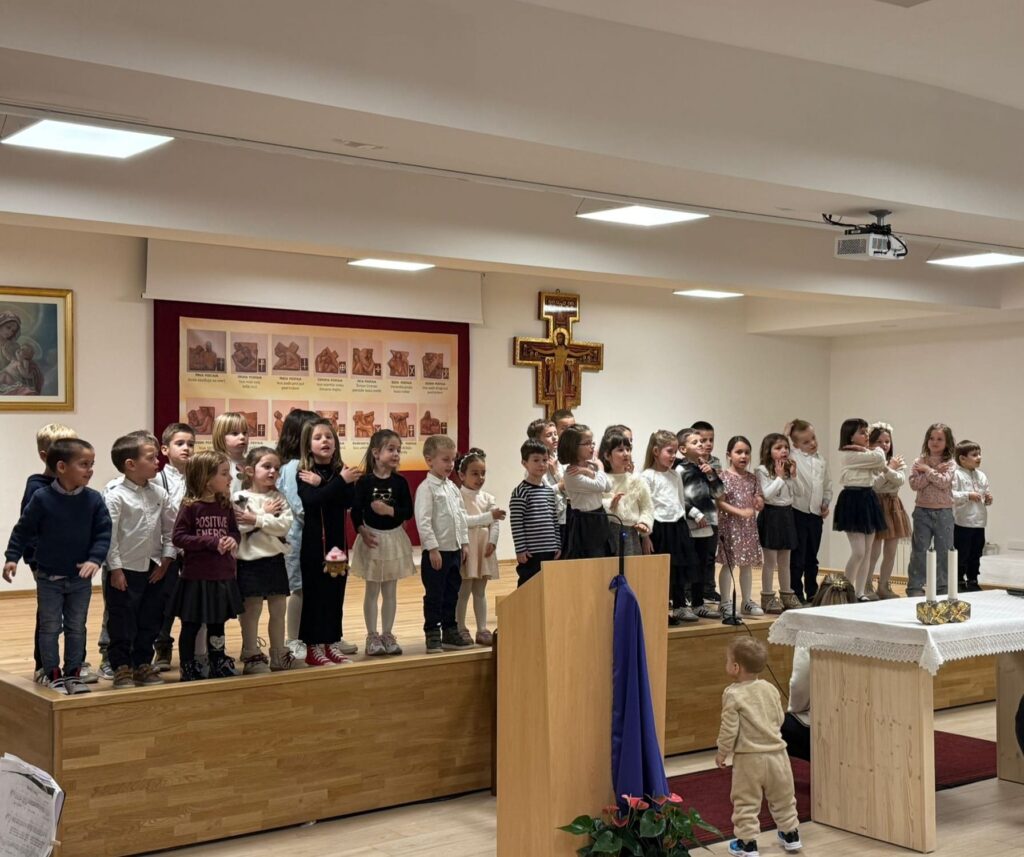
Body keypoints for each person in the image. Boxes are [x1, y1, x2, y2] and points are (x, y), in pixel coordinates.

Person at [4, 438, 111, 694]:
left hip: (79, 580)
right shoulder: (41, 498)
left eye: (92, 464)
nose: (90, 470)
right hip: (48, 578)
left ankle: (73, 673)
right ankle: (52, 673)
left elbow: (103, 533)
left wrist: (94, 559)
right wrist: (12, 557)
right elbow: (23, 530)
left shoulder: (94, 500)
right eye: (84, 464)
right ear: (61, 467)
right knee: (50, 627)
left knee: (76, 627)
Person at [716, 637, 802, 856]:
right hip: (778, 755)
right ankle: (791, 834)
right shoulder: (770, 689)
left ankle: (747, 844)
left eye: (728, 661)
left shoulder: (733, 694)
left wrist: (722, 752)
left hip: (748, 758)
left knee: (746, 802)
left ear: (736, 667)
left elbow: (729, 729)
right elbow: (779, 718)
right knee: (784, 798)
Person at [8, 423, 80, 683]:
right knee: (49, 617)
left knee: (75, 616)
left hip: (73, 563)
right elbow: (27, 529)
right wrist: (34, 561)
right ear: (44, 455)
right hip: (45, 563)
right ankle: (44, 665)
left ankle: (75, 663)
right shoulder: (36, 488)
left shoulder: (76, 486)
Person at [104, 433, 177, 689]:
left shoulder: (159, 493)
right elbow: (110, 537)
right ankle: (121, 666)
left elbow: (171, 529)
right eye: (151, 458)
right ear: (130, 464)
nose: (158, 462)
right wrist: (115, 569)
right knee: (122, 620)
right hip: (125, 570)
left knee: (151, 618)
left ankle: (143, 662)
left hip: (155, 568)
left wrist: (166, 560)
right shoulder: (116, 496)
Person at [171, 451, 243, 681]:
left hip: (222, 575)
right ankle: (188, 665)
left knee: (217, 623)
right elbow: (178, 537)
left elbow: (234, 531)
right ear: (206, 478)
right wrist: (210, 542)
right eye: (224, 474)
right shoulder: (190, 506)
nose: (229, 478)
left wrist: (232, 539)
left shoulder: (225, 504)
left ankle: (217, 660)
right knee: (191, 624)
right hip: (196, 577)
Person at [296, 418, 360, 666]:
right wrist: (337, 483)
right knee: (315, 596)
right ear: (308, 445)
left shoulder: (340, 471)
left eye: (329, 436)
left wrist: (325, 484)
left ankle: (331, 642)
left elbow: (348, 501)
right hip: (315, 547)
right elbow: (313, 501)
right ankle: (313, 647)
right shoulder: (305, 473)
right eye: (318, 437)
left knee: (335, 595)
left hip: (337, 548)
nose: (324, 441)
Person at [349, 429, 417, 657]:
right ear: (376, 453)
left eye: (399, 450)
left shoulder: (400, 482)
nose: (396, 453)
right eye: (391, 449)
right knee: (372, 589)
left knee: (390, 590)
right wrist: (361, 530)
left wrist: (389, 510)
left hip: (393, 539)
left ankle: (388, 633)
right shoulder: (364, 482)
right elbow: (356, 511)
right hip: (372, 539)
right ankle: (372, 635)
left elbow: (407, 512)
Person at [234, 446, 297, 672]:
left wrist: (257, 519)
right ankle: (251, 654)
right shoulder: (240, 497)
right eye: (267, 466)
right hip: (249, 563)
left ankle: (279, 653)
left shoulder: (278, 498)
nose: (273, 472)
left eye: (276, 468)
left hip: (274, 561)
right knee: (251, 612)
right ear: (250, 470)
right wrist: (264, 515)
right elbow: (239, 526)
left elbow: (284, 525)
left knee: (278, 610)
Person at [415, 434, 472, 653]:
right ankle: (432, 633)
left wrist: (464, 543)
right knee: (435, 595)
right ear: (429, 460)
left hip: (454, 550)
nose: (450, 465)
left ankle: (450, 630)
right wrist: (432, 548)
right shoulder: (426, 489)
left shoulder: (453, 487)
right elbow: (423, 521)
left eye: (453, 460)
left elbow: (461, 516)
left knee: (452, 592)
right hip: (437, 553)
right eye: (445, 460)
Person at [275, 409, 321, 660]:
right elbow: (299, 505)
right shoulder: (293, 466)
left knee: (312, 587)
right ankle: (293, 638)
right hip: (296, 537)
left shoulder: (306, 465)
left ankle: (318, 636)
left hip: (308, 536)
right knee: (298, 588)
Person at [641, 430, 697, 624]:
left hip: (677, 526)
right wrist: (646, 536)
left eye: (675, 452)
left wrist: (683, 522)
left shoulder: (675, 475)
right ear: (656, 451)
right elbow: (646, 507)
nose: (673, 456)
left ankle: (680, 606)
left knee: (679, 569)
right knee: (660, 572)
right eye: (669, 451)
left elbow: (680, 501)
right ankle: (660, 609)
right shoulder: (647, 476)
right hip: (659, 528)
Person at [152, 422, 195, 671]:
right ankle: (162, 645)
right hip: (167, 549)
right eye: (180, 443)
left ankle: (193, 648)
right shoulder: (157, 480)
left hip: (193, 550)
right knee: (166, 600)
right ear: (165, 449)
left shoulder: (197, 479)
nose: (186, 448)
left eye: (191, 444)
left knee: (191, 599)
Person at [833, 418, 891, 601]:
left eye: (867, 432)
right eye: (862, 432)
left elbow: (879, 467)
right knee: (858, 551)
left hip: (868, 498)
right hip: (852, 499)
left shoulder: (865, 453)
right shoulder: (849, 455)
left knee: (867, 551)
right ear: (850, 436)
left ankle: (860, 592)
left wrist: (869, 451)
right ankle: (845, 591)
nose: (867, 436)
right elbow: (880, 459)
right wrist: (875, 451)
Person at [456, 448, 505, 645]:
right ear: (462, 475)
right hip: (468, 548)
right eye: (475, 473)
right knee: (463, 591)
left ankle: (482, 628)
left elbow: (496, 522)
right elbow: (463, 521)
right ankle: (460, 627)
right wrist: (488, 517)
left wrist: (493, 541)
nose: (480, 478)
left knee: (480, 591)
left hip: (483, 548)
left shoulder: (488, 498)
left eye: (483, 473)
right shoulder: (458, 496)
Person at [676, 428, 724, 619]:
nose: (701, 445)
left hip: (708, 523)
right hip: (689, 524)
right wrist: (694, 514)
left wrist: (711, 474)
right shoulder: (680, 471)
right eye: (695, 442)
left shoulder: (706, 468)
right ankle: (682, 603)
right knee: (688, 564)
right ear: (683, 449)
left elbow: (719, 493)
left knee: (703, 565)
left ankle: (698, 603)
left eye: (702, 442)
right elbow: (679, 498)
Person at [716, 436, 764, 620]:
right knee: (729, 563)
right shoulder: (723, 477)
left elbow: (758, 498)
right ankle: (725, 602)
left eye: (747, 452)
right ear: (729, 455)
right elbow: (720, 502)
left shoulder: (752, 478)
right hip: (730, 526)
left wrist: (759, 502)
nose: (743, 456)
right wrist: (740, 512)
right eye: (739, 452)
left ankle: (746, 601)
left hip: (748, 527)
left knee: (746, 564)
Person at [907, 423, 957, 596]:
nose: (935, 442)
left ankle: (942, 588)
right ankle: (915, 587)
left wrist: (927, 471)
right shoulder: (919, 461)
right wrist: (934, 471)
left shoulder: (950, 463)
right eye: (932, 438)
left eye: (940, 439)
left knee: (944, 551)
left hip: (944, 512)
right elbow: (915, 484)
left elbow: (944, 482)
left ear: (947, 442)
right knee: (919, 551)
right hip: (922, 511)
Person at [785, 419, 831, 604]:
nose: (812, 443)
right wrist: (786, 433)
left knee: (812, 555)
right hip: (798, 513)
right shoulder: (793, 457)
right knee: (797, 557)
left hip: (815, 515)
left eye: (813, 438)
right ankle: (795, 591)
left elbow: (827, 484)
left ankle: (812, 590)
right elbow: (782, 450)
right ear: (796, 444)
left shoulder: (821, 460)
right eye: (806, 442)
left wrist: (825, 502)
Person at [755, 433, 800, 613]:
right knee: (770, 561)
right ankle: (767, 597)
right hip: (771, 515)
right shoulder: (762, 470)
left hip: (787, 514)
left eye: (786, 447)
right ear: (768, 451)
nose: (784, 451)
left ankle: (787, 595)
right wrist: (780, 477)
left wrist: (793, 475)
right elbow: (767, 495)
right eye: (778, 448)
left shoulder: (788, 469)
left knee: (785, 560)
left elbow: (799, 493)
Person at [509, 439, 562, 587]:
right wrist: (521, 549)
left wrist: (557, 544)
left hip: (550, 548)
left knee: (548, 584)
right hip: (531, 552)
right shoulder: (521, 491)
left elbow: (554, 519)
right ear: (524, 463)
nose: (541, 464)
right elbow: (516, 522)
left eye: (544, 460)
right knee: (529, 584)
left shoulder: (548, 490)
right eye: (536, 460)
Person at [867, 423, 911, 599]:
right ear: (870, 443)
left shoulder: (896, 461)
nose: (884, 445)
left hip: (893, 506)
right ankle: (866, 585)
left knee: (891, 550)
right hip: (875, 505)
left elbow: (900, 480)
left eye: (887, 441)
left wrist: (886, 469)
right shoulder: (869, 461)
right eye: (879, 441)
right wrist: (890, 469)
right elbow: (875, 486)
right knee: (873, 551)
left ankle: (884, 586)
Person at [559, 424, 612, 559]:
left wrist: (589, 471)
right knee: (591, 558)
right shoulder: (571, 474)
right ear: (574, 447)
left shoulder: (590, 466)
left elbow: (608, 486)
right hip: (585, 522)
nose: (592, 447)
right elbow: (600, 485)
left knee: (604, 555)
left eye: (592, 442)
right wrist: (600, 468)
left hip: (599, 516)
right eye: (587, 443)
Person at [598, 430, 653, 556]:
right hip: (608, 532)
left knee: (632, 566)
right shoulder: (602, 480)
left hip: (631, 532)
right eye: (620, 450)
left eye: (628, 449)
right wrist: (610, 503)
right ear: (607, 455)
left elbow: (647, 507)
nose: (626, 454)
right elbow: (595, 505)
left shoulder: (637, 480)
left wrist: (644, 523)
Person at [952, 439, 991, 593]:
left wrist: (988, 499)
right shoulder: (956, 475)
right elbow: (951, 495)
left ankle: (973, 580)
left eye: (979, 454)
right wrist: (968, 495)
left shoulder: (981, 475)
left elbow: (984, 495)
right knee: (962, 554)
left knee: (976, 553)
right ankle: (959, 581)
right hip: (963, 522)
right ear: (962, 458)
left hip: (979, 522)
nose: (979, 457)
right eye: (974, 455)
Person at [690, 420, 722, 602]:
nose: (708, 444)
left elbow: (717, 491)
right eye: (703, 440)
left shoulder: (715, 463)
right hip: (693, 516)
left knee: (710, 555)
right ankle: (690, 591)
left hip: (711, 516)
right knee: (693, 555)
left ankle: (708, 588)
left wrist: (712, 473)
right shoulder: (688, 464)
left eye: (711, 440)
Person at [527, 418, 567, 548]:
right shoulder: (534, 465)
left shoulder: (562, 458)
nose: (555, 437)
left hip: (565, 517)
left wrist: (556, 473)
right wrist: (560, 486)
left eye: (555, 433)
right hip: (547, 520)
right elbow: (540, 493)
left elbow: (570, 489)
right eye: (549, 435)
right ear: (537, 440)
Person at [211, 411, 250, 494]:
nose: (242, 437)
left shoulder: (252, 463)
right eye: (235, 433)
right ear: (220, 436)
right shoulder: (214, 464)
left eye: (244, 433)